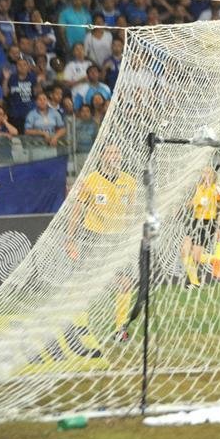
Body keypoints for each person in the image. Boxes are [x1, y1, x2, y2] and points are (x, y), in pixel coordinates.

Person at [69, 144, 139, 340]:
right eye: (110, 152)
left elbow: (131, 215)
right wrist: (71, 239)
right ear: (102, 156)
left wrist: (131, 238)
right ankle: (79, 325)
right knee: (86, 283)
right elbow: (77, 210)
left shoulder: (129, 182)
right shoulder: (90, 180)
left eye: (117, 152)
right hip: (94, 237)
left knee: (125, 283)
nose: (114, 155)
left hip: (118, 239)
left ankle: (120, 329)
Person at [182, 167, 220, 288]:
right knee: (184, 250)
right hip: (196, 221)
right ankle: (194, 282)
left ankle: (219, 261)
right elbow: (192, 203)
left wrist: (219, 226)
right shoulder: (199, 188)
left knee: (196, 256)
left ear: (213, 175)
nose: (205, 175)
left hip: (209, 223)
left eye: (208, 173)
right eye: (204, 172)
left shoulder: (215, 189)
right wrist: (187, 204)